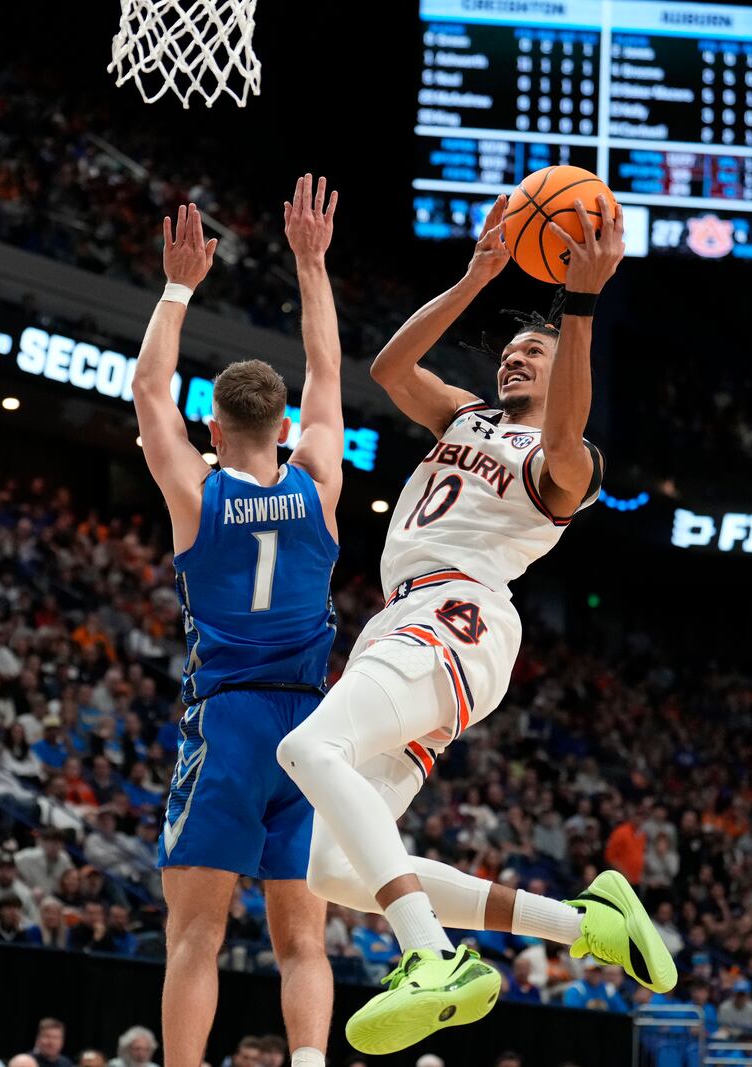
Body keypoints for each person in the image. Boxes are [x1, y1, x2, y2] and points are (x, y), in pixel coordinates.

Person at [274, 191, 672, 1053]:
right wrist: (474, 276)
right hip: (410, 624)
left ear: (567, 369)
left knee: (307, 751)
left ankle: (435, 958)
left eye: (536, 352)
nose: (514, 361)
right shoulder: (466, 416)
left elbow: (570, 419)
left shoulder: (565, 464)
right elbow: (388, 367)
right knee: (329, 867)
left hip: (456, 619)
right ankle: (583, 923)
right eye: (512, 350)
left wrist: (581, 309)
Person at [135, 181, 343, 1067]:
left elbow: (148, 386)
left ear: (212, 424)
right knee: (303, 939)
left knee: (196, 936)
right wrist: (310, 261)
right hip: (313, 728)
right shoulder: (320, 481)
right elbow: (330, 370)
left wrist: (179, 288)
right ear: (286, 425)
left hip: (228, 723)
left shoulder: (196, 493)